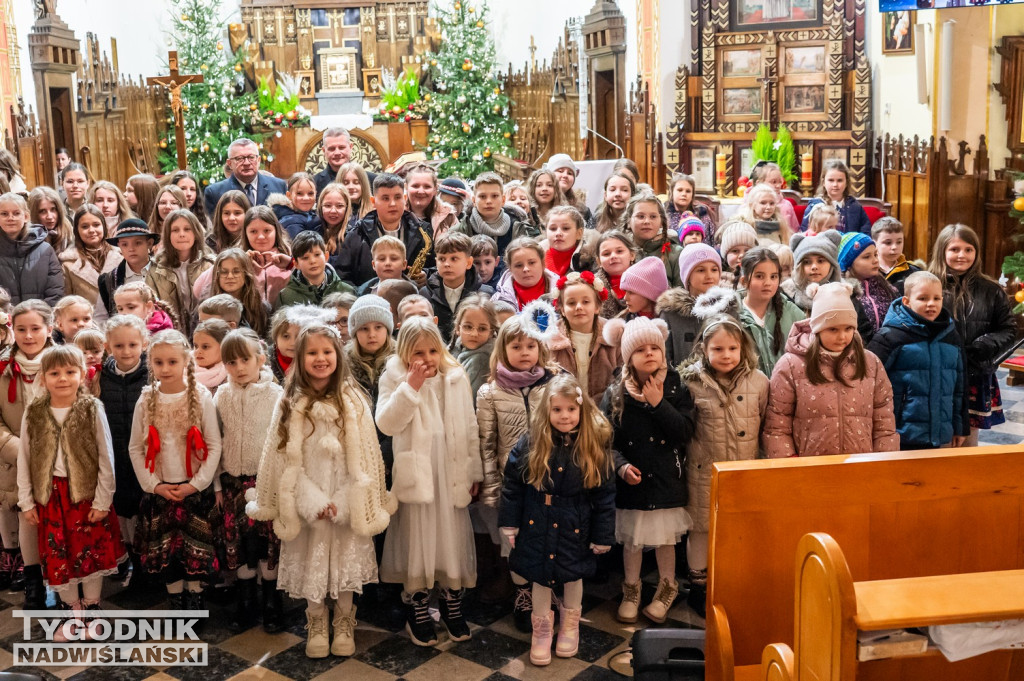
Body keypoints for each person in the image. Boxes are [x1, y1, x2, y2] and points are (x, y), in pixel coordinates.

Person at [248, 322, 393, 657]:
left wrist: (343, 501)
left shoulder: (353, 400)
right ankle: (315, 619)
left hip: (346, 500)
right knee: (312, 563)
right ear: (300, 358)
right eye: (312, 352)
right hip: (306, 503)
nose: (320, 358)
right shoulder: (289, 401)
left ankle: (344, 620)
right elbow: (280, 458)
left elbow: (368, 458)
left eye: (327, 351)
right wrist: (312, 501)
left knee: (344, 565)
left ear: (338, 355)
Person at [376, 317, 482, 647]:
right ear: (405, 352)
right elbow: (386, 423)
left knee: (449, 536)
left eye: (433, 350)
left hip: (450, 470)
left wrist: (473, 471)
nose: (427, 358)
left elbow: (470, 425)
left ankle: (451, 602)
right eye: (418, 352)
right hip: (418, 473)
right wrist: (410, 387)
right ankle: (417, 603)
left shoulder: (456, 376)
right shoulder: (395, 376)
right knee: (417, 538)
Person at [500, 373, 615, 666]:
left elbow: (604, 495)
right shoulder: (532, 442)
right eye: (557, 409)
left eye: (571, 409)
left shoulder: (592, 446)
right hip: (537, 520)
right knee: (540, 576)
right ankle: (541, 631)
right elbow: (512, 484)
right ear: (547, 411)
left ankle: (570, 626)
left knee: (572, 574)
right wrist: (509, 522)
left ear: (581, 410)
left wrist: (603, 536)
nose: (565, 416)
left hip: (575, 522)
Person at [17, 344, 126, 630]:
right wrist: (27, 501)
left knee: (91, 554)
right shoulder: (34, 412)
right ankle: (70, 610)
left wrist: (103, 501)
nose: (62, 378)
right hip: (50, 499)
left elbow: (106, 456)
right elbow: (25, 457)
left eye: (70, 371)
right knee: (58, 557)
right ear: (43, 377)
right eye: (54, 373)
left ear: (83, 375)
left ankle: (92, 607)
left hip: (87, 498)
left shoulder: (92, 408)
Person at [600, 316, 694, 623]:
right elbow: (605, 441)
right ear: (629, 357)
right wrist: (621, 466)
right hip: (633, 484)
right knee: (634, 539)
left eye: (656, 347)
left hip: (667, 479)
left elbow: (685, 431)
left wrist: (659, 404)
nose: (650, 353)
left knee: (666, 538)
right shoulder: (616, 391)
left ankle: (667, 586)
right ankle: (632, 588)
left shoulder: (676, 385)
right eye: (641, 349)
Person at [680, 314, 768, 617]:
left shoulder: (759, 381)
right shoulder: (691, 383)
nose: (726, 355)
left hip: (744, 470)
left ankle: (735, 582)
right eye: (718, 349)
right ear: (704, 349)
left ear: (742, 348)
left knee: (739, 529)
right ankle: (699, 585)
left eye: (732, 348)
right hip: (703, 471)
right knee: (701, 529)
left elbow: (766, 423)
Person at [128, 330, 222, 613]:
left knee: (193, 551)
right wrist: (154, 485)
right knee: (167, 552)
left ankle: (195, 597)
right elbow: (135, 448)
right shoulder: (146, 399)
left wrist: (196, 484)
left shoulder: (200, 396)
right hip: (160, 491)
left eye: (172, 362)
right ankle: (176, 598)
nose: (165, 368)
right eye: (159, 363)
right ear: (151, 364)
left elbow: (214, 445)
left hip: (193, 489)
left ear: (186, 362)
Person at [476, 309, 559, 630]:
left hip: (551, 480)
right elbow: (486, 443)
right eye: (516, 347)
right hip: (512, 486)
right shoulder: (490, 391)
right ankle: (523, 593)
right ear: (503, 350)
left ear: (540, 348)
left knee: (547, 539)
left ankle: (546, 592)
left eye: (530, 346)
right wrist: (492, 488)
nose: (524, 353)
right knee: (514, 543)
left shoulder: (555, 383)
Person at [763, 282, 898, 457]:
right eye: (833, 329)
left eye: (848, 328)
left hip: (861, 468)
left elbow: (884, 421)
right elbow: (777, 425)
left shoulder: (870, 363)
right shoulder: (790, 365)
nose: (842, 336)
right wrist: (790, 465)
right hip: (808, 471)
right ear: (817, 328)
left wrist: (883, 462)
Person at [213, 328, 285, 632]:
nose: (239, 368)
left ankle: (272, 600)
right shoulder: (221, 394)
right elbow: (214, 440)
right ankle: (246, 600)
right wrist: (216, 484)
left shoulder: (275, 395)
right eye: (231, 362)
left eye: (245, 360)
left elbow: (283, 440)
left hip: (265, 481)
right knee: (239, 543)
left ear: (260, 359)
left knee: (268, 542)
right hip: (231, 482)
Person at [928, 224, 1017, 445]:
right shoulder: (928, 284)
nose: (962, 255)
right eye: (955, 249)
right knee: (941, 439)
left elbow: (1009, 329)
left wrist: (986, 344)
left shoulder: (991, 289)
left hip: (975, 371)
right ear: (942, 251)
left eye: (969, 249)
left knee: (967, 441)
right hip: (938, 373)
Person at [866, 271, 968, 450]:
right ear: (906, 301)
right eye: (923, 298)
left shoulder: (951, 335)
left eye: (937, 298)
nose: (931, 304)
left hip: (939, 433)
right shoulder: (890, 336)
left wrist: (960, 427)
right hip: (899, 434)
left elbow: (960, 387)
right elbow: (868, 385)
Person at [0, 300, 57, 609]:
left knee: (61, 518)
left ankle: (64, 584)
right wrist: (19, 450)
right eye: (21, 329)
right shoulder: (3, 368)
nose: (29, 335)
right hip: (17, 458)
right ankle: (34, 583)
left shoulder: (62, 363)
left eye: (36, 328)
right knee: (28, 518)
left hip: (59, 458)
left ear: (49, 329)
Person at [337, 174, 434, 288]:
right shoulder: (357, 233)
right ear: (373, 201)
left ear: (405, 198)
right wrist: (362, 295)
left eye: (397, 197)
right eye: (385, 198)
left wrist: (427, 275)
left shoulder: (423, 230)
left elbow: (436, 268)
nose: (392, 204)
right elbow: (342, 277)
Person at [658, 244, 738, 365]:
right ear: (687, 275)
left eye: (714, 270)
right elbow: (664, 358)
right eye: (701, 270)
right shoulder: (671, 313)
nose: (709, 276)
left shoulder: (729, 309)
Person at [550, 271, 620, 402]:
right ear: (562, 310)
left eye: (586, 302)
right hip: (565, 413)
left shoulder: (613, 335)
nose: (578, 307)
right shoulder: (549, 339)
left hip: (606, 410)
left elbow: (621, 381)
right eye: (571, 303)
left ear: (597, 307)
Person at [146, 209, 215, 336]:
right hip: (170, 335)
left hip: (206, 333)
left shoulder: (210, 264)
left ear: (196, 232)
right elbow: (153, 310)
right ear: (167, 235)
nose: (181, 234)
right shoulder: (155, 269)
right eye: (175, 230)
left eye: (187, 229)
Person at [738, 247, 805, 377]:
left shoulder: (793, 313)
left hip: (786, 392)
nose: (768, 283)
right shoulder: (731, 316)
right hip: (748, 394)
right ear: (744, 281)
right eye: (759, 276)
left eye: (773, 276)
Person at [419, 231, 492, 342]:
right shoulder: (425, 294)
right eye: (442, 259)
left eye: (454, 259)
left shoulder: (485, 294)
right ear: (436, 262)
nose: (447, 264)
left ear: (468, 263)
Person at [61, 205, 123, 324]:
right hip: (86, 327)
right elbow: (67, 304)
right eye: (85, 226)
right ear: (77, 231)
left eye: (96, 225)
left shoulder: (120, 257)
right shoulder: (69, 264)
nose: (91, 230)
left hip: (118, 324)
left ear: (104, 226)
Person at [0, 192, 64, 306]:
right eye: (4, 214)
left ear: (26, 216)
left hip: (40, 320)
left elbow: (55, 291)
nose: (10, 218)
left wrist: (39, 317)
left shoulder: (45, 250)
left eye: (16, 213)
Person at [452, 172, 538, 255]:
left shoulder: (519, 229)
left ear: (503, 200)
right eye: (482, 196)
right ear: (474, 201)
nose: (489, 201)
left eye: (494, 196)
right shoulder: (460, 232)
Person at [838, 232, 898, 344]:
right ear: (848, 263)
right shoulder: (843, 293)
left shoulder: (888, 289)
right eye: (866, 257)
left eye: (875, 255)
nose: (875, 260)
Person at [203, 138, 287, 215]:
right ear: (229, 164)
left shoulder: (278, 186)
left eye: (251, 157)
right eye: (239, 158)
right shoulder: (215, 192)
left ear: (258, 160)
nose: (246, 163)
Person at [98, 219, 158, 318]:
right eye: (124, 244)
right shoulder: (109, 280)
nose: (131, 249)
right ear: (119, 246)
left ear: (150, 243)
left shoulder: (166, 273)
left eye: (138, 243)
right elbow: (101, 317)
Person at [276, 232, 354, 308]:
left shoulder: (346, 291)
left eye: (317, 255)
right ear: (296, 264)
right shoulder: (286, 296)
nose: (312, 261)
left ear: (326, 256)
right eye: (305, 258)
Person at [624, 192, 682, 288]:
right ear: (629, 221)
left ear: (661, 222)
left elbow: (682, 295)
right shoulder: (620, 251)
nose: (647, 221)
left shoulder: (676, 253)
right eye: (640, 216)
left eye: (653, 217)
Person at [800, 159, 871, 234]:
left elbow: (865, 234)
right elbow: (806, 234)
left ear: (846, 182)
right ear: (823, 182)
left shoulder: (855, 207)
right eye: (831, 180)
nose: (835, 185)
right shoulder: (815, 207)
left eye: (840, 180)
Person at [450, 293, 497, 405]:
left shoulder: (481, 360)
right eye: (468, 327)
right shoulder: (455, 349)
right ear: (458, 328)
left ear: (491, 332)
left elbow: (467, 403)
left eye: (482, 329)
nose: (474, 334)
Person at [781, 229, 843, 312]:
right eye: (807, 262)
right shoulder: (786, 295)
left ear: (832, 264)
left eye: (820, 261)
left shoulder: (845, 292)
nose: (814, 267)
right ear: (798, 266)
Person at [491, 237, 559, 311]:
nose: (526, 269)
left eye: (531, 263)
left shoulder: (562, 292)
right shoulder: (498, 300)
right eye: (519, 265)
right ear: (510, 269)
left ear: (542, 263)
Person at [405, 164, 458, 238]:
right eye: (415, 186)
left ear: (435, 189)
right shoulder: (396, 214)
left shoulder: (448, 217)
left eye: (427, 187)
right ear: (406, 187)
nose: (421, 191)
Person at [750, 161, 800, 236]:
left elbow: (795, 231)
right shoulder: (748, 205)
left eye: (780, 182)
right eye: (773, 182)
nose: (778, 185)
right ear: (759, 183)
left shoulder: (786, 206)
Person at [595, 230, 636, 319]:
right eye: (606, 254)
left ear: (632, 255)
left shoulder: (648, 279)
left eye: (619, 251)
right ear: (599, 262)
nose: (613, 256)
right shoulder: (591, 287)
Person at [872, 217, 919, 294]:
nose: (894, 247)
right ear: (874, 243)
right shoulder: (867, 271)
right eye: (888, 243)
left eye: (899, 242)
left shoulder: (914, 272)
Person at [665, 173, 716, 245]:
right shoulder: (665, 214)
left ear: (692, 194)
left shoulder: (702, 213)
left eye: (688, 191)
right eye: (680, 190)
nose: (684, 194)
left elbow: (710, 241)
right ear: (672, 192)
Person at [270, 173, 322, 240]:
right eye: (299, 193)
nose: (306, 198)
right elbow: (300, 249)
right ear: (289, 195)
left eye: (310, 193)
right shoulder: (291, 222)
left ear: (316, 194)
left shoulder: (313, 214)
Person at [546, 154, 594, 225]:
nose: (565, 175)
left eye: (570, 173)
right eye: (560, 171)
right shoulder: (537, 204)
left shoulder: (583, 209)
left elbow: (591, 233)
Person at [113, 282, 177, 334]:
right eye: (120, 309)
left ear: (149, 307)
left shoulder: (161, 333)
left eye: (131, 307)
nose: (124, 313)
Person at [619, 256, 671, 322]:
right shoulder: (623, 321)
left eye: (631, 292)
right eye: (625, 291)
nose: (625, 298)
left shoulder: (671, 322)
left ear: (649, 294)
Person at [28, 186, 74, 256]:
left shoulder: (69, 232)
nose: (49, 216)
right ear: (34, 213)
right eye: (42, 211)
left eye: (53, 209)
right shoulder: (28, 238)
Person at [313, 127, 353, 196]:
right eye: (331, 149)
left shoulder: (370, 180)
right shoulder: (314, 183)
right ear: (324, 150)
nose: (337, 152)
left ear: (351, 147)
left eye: (341, 147)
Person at [193, 319, 229, 393]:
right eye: (196, 346)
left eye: (205, 347)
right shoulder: (182, 368)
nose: (197, 351)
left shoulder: (231, 375)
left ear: (223, 347)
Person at [336, 162, 373, 229]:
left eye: (356, 182)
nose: (351, 187)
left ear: (364, 185)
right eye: (346, 183)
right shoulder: (334, 212)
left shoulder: (374, 211)